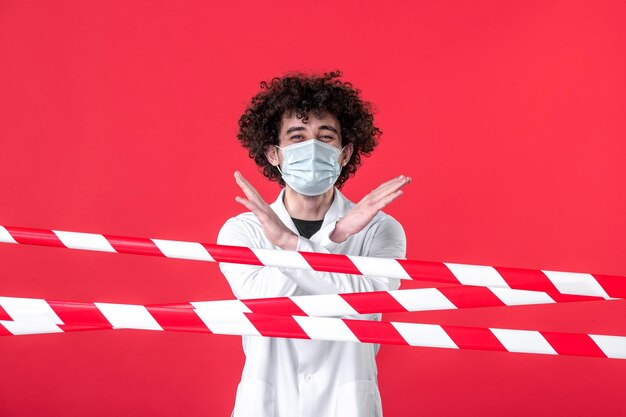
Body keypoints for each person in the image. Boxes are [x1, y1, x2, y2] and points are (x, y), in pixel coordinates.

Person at [217, 70, 411, 417]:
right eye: (297, 136)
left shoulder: (381, 230)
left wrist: (292, 245)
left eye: (325, 136)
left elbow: (366, 305)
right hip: (267, 403)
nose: (312, 147)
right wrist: (332, 237)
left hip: (348, 403)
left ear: (344, 153)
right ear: (273, 153)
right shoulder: (241, 231)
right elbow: (263, 303)